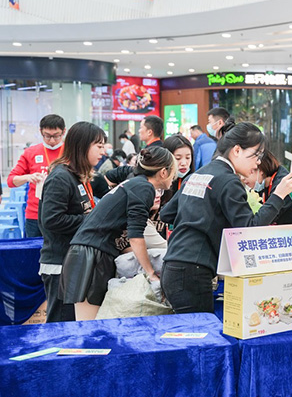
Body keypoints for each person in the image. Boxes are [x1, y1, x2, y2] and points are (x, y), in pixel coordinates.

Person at [160, 123, 292, 314]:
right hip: (193, 272)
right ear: (237, 150)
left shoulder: (198, 174)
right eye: (256, 155)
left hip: (172, 267)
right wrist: (279, 195)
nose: (258, 163)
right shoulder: (228, 180)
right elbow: (250, 228)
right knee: (201, 331)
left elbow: (167, 213)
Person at [60, 147, 177, 321]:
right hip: (90, 256)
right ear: (163, 172)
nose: (174, 177)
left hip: (89, 253)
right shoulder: (144, 187)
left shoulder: (134, 183)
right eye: (173, 172)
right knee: (90, 326)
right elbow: (136, 236)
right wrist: (151, 273)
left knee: (93, 325)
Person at [38, 122, 106, 323]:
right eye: (99, 146)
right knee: (61, 323)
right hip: (60, 263)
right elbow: (51, 220)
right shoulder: (61, 178)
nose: (103, 152)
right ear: (82, 146)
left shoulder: (78, 176)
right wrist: (91, 219)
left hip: (73, 261)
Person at [7, 114, 66, 237]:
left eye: (56, 136)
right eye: (47, 136)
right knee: (34, 248)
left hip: (62, 214)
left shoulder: (70, 152)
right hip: (35, 215)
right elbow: (11, 181)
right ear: (41, 132)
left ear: (64, 132)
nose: (52, 141)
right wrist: (28, 177)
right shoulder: (31, 152)